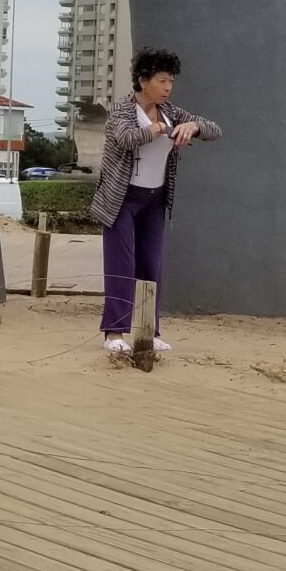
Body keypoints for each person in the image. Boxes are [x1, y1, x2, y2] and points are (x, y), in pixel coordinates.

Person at [85, 47, 222, 355]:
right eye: (162, 81)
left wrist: (194, 126)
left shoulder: (173, 112)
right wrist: (160, 128)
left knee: (151, 266)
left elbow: (215, 130)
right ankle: (114, 333)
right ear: (143, 80)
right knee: (122, 265)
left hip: (155, 199)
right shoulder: (122, 111)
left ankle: (150, 330)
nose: (168, 87)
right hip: (121, 199)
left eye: (171, 81)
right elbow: (128, 138)